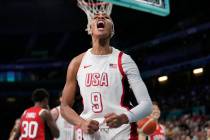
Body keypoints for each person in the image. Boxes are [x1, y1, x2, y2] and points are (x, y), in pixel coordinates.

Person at [60, 1, 153, 140]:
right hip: (90, 133)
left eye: (106, 18)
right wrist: (81, 123)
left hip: (122, 132)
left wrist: (124, 118)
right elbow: (65, 106)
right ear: (90, 28)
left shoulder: (124, 60)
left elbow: (147, 105)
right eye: (96, 17)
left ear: (112, 31)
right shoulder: (77, 63)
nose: (101, 18)